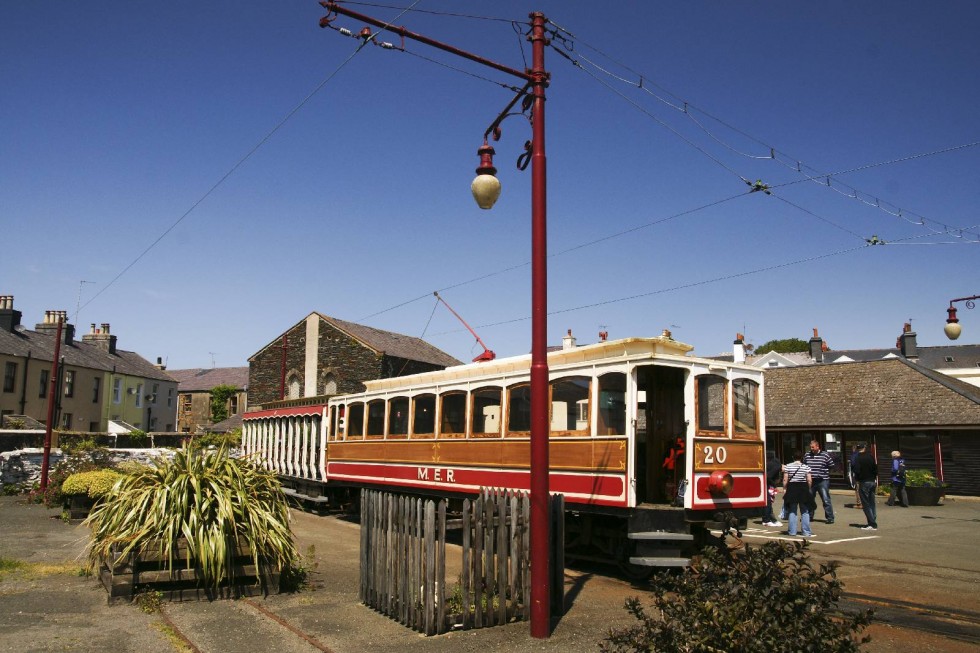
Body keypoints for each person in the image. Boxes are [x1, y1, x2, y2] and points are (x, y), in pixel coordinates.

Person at [782, 449, 814, 537]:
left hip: (792, 488)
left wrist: (784, 489)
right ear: (802, 458)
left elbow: (785, 479)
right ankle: (806, 531)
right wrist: (809, 489)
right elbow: (809, 480)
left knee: (792, 510)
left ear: (793, 457)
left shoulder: (788, 466)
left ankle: (792, 531)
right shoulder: (806, 467)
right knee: (805, 511)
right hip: (803, 488)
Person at [803, 439, 836, 524]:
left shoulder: (825, 455)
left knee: (825, 499)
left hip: (822, 480)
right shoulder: (807, 455)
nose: (812, 449)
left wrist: (825, 472)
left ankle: (830, 517)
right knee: (810, 499)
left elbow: (832, 465)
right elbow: (804, 466)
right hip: (811, 480)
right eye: (811, 447)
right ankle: (809, 516)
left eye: (813, 447)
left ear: (818, 446)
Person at [853, 442, 878, 530]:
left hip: (863, 481)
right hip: (872, 481)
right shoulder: (870, 456)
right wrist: (874, 477)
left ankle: (872, 523)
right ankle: (873, 520)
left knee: (866, 504)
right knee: (872, 502)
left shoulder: (857, 458)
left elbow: (856, 470)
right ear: (865, 448)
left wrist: (857, 478)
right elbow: (875, 468)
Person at [762, 450, 782, 527]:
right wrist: (775, 485)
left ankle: (770, 519)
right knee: (768, 502)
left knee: (769, 501)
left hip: (767, 483)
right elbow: (769, 477)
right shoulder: (776, 466)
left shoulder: (772, 464)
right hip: (767, 484)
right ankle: (766, 520)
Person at [849, 444, 862, 509]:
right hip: (865, 475)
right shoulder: (863, 454)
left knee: (857, 489)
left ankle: (859, 503)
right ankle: (865, 503)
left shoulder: (854, 455)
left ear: (854, 449)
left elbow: (853, 463)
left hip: (857, 474)